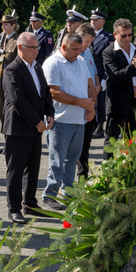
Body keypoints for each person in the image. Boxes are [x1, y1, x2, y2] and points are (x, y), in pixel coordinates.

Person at [3, 32, 55, 223]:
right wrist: (36, 122)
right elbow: (18, 100)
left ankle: (30, 204)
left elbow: (45, 93)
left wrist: (50, 113)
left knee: (33, 169)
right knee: (15, 170)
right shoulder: (12, 70)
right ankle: (14, 208)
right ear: (20, 48)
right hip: (18, 128)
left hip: (35, 128)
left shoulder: (37, 67)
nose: (35, 51)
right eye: (31, 48)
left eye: (37, 47)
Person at [41, 32, 94, 209]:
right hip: (60, 121)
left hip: (79, 120)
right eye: (75, 49)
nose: (78, 53)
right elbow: (53, 92)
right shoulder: (53, 63)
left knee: (72, 160)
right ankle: (49, 195)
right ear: (63, 47)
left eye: (80, 49)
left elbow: (90, 85)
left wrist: (91, 107)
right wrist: (80, 102)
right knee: (57, 161)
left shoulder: (80, 61)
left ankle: (68, 192)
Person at [101, 18, 136, 146]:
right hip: (118, 104)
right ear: (115, 35)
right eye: (123, 35)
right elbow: (116, 76)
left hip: (135, 102)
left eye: (130, 35)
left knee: (133, 141)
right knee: (111, 141)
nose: (127, 38)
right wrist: (133, 66)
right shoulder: (109, 52)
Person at [76, 23, 100, 178]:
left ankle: (83, 176)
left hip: (91, 101)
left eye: (90, 42)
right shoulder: (73, 55)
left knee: (86, 143)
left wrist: (97, 84)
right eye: (86, 41)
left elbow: (94, 70)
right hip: (79, 103)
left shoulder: (88, 51)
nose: (88, 44)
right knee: (77, 145)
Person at [0, 11, 20, 129]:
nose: (3, 26)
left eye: (6, 24)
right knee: (1, 109)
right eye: (2, 24)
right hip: (0, 79)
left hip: (11, 80)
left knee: (12, 109)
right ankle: (4, 132)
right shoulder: (1, 39)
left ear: (13, 25)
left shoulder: (17, 40)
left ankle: (12, 132)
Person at [89, 9, 113, 139]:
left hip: (100, 69)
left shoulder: (107, 38)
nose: (93, 22)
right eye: (92, 20)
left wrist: (104, 78)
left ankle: (99, 126)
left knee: (100, 100)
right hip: (89, 69)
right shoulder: (87, 36)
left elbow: (108, 60)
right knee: (90, 97)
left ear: (103, 21)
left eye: (96, 20)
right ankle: (92, 124)